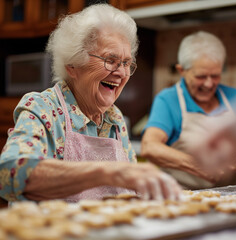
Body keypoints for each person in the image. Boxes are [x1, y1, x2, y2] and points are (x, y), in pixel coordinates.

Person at [0, 4, 181, 203]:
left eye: (126, 63)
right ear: (73, 65)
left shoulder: (115, 118)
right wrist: (103, 172)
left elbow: (131, 191)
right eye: (110, 60)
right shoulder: (43, 107)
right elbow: (8, 175)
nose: (121, 73)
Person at [141, 31, 236, 189]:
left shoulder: (235, 97)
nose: (209, 84)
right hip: (184, 197)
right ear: (182, 70)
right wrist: (200, 166)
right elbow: (149, 147)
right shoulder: (168, 99)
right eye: (201, 76)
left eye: (215, 76)